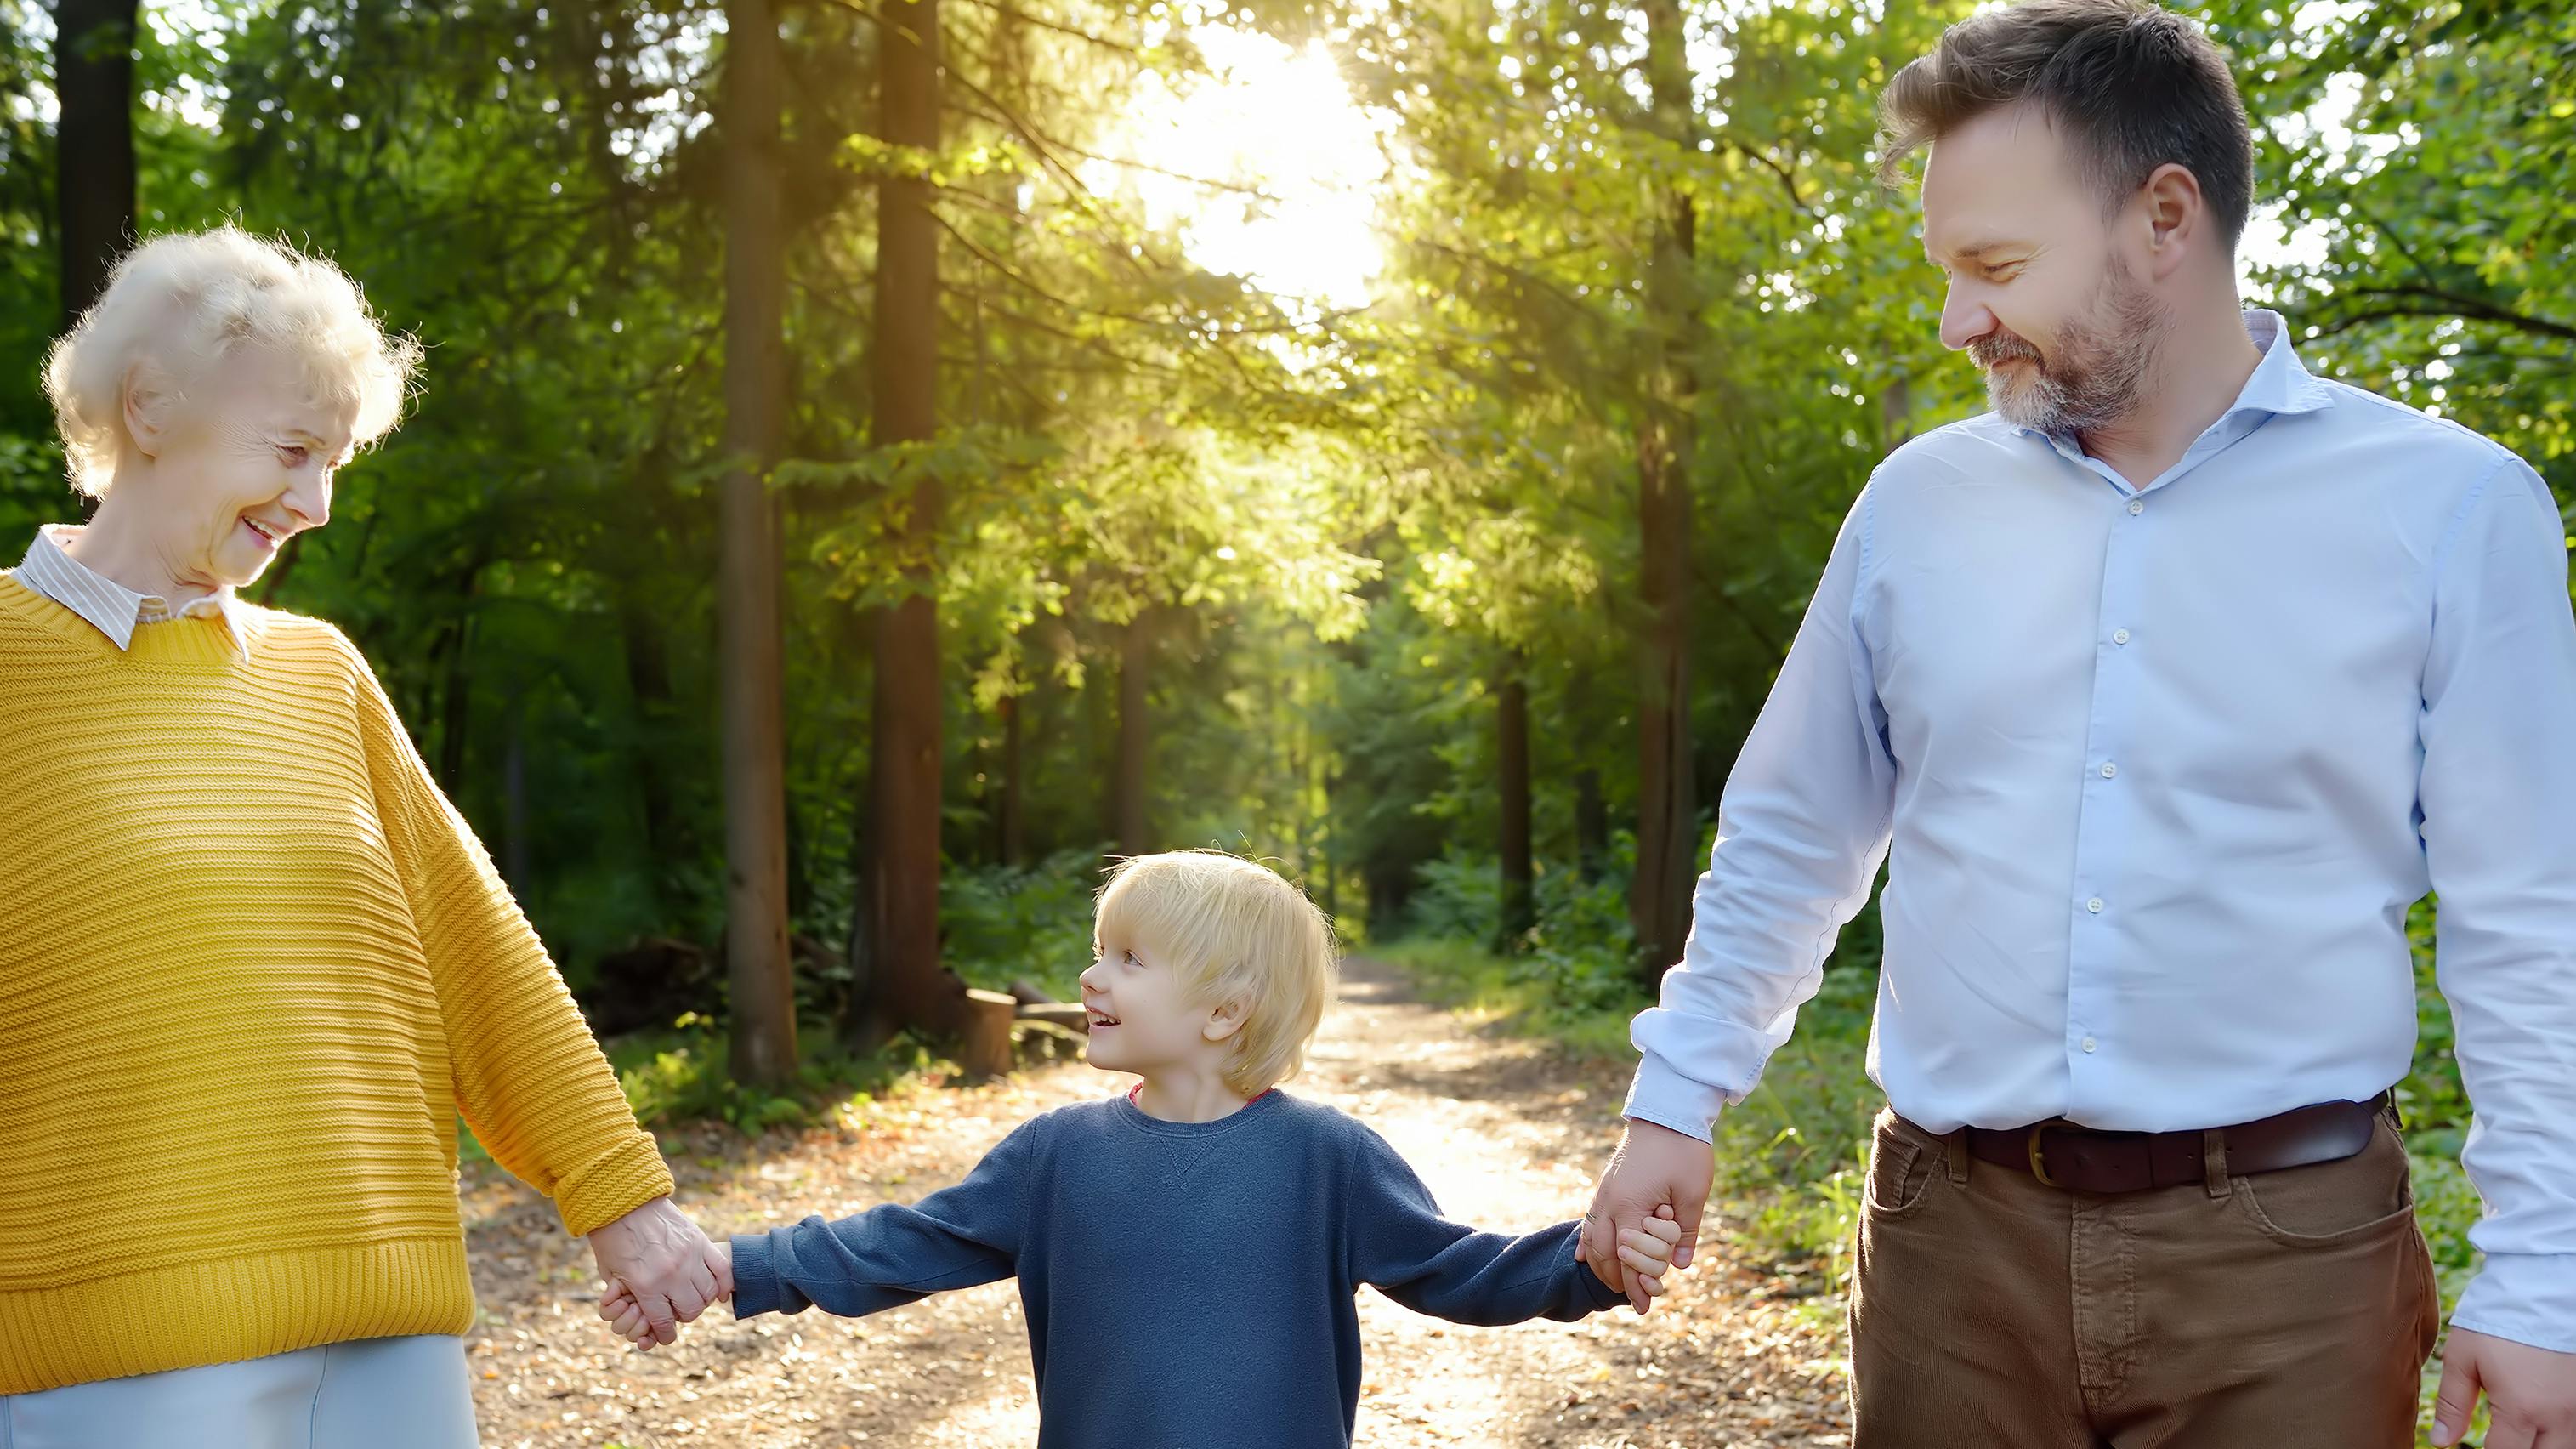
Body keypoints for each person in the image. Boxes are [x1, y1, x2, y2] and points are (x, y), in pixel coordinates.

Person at [1579, 3, 2576, 1446]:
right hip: (1946, 1253)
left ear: (2165, 218)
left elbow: (2528, 918)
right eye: (1949, 271)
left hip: (2291, 1271)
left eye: (1995, 267)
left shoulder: (2454, 509)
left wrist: (2543, 1271)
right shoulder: (1918, 505)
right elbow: (1799, 827)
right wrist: (1677, 1096)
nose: (1958, 320)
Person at [0, 227, 728, 1446]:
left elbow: (477, 953)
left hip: (393, 1341)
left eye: (334, 463)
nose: (317, 504)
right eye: (292, 451)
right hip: (118, 1355)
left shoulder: (319, 674)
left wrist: (622, 1200)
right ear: (150, 406)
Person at [604, 850, 1682, 1448]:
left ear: (1223, 1012)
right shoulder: (1054, 1159)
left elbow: (1460, 1268)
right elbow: (897, 1246)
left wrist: (1587, 1265)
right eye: (1096, 953)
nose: (1090, 979)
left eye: (1127, 958)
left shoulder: (1327, 1160)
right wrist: (732, 1269)